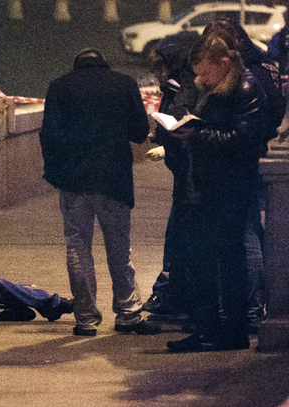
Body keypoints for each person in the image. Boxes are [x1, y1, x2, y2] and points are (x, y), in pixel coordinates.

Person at [39, 48, 159, 337]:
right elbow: (140, 132)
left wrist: (55, 174)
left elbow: (49, 135)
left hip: (73, 180)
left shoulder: (59, 86)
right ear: (104, 63)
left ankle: (86, 320)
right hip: (113, 179)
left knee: (77, 249)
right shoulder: (124, 83)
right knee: (119, 248)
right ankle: (129, 314)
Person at [166, 35, 268, 352]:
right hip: (210, 186)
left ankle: (231, 331)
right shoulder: (220, 88)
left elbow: (242, 137)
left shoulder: (246, 88)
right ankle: (207, 328)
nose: (203, 79)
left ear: (224, 63)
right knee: (204, 260)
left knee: (229, 260)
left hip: (230, 188)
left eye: (206, 73)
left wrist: (197, 135)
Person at [142, 31, 200, 318]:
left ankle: (174, 297)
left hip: (191, 179)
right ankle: (172, 294)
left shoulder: (185, 89)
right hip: (183, 175)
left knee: (181, 238)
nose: (158, 76)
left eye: (162, 69)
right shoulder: (175, 89)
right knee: (178, 236)